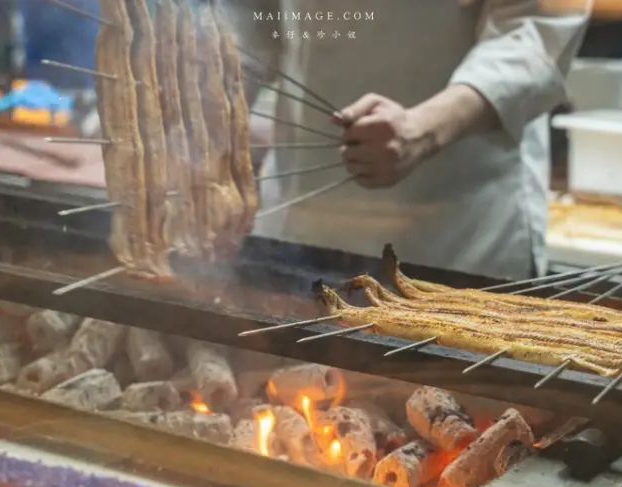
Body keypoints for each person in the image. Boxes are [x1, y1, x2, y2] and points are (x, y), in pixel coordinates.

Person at [226, 0, 591, 280]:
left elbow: (537, 30)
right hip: (298, 218)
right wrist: (215, 98)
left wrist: (424, 128)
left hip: (456, 230)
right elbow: (249, 14)